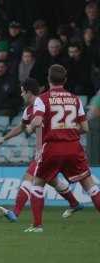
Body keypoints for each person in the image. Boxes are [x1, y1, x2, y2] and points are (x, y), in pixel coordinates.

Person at [0, 78, 83, 222]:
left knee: (29, 177)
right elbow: (21, 127)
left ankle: (15, 212)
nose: (21, 95)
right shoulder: (29, 110)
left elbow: (40, 128)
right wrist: (2, 139)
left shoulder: (45, 104)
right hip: (50, 149)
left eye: (22, 92)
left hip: (50, 149)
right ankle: (74, 203)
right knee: (52, 180)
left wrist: (39, 148)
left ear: (28, 92)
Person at [25, 64, 100, 232]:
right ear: (65, 80)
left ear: (48, 79)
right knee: (91, 186)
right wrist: (69, 132)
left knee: (38, 185)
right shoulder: (75, 99)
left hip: (51, 148)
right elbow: (85, 128)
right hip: (74, 147)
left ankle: (37, 226)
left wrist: (30, 128)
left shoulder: (42, 99)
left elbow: (36, 121)